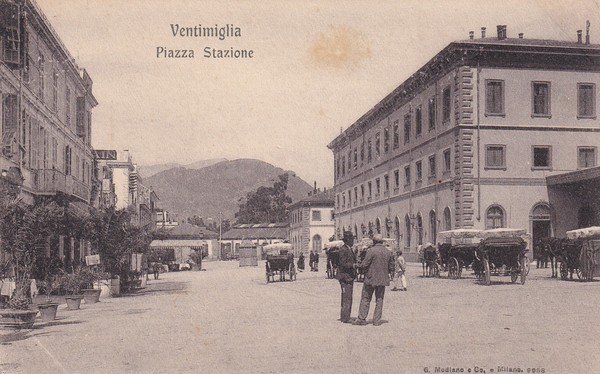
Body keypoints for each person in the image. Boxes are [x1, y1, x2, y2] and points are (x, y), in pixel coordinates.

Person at [353, 234, 395, 326]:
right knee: (379, 299)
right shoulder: (388, 252)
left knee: (366, 298)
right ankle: (376, 320)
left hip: (370, 278)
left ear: (374, 241)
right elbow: (391, 266)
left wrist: (358, 265)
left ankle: (362, 318)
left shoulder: (371, 251)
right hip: (382, 279)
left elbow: (365, 264)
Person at [336, 231, 357, 323]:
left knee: (348, 296)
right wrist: (353, 265)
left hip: (348, 276)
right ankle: (345, 318)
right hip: (345, 277)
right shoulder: (343, 250)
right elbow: (342, 263)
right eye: (352, 239)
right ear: (348, 240)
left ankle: (346, 316)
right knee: (346, 297)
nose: (353, 241)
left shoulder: (349, 248)